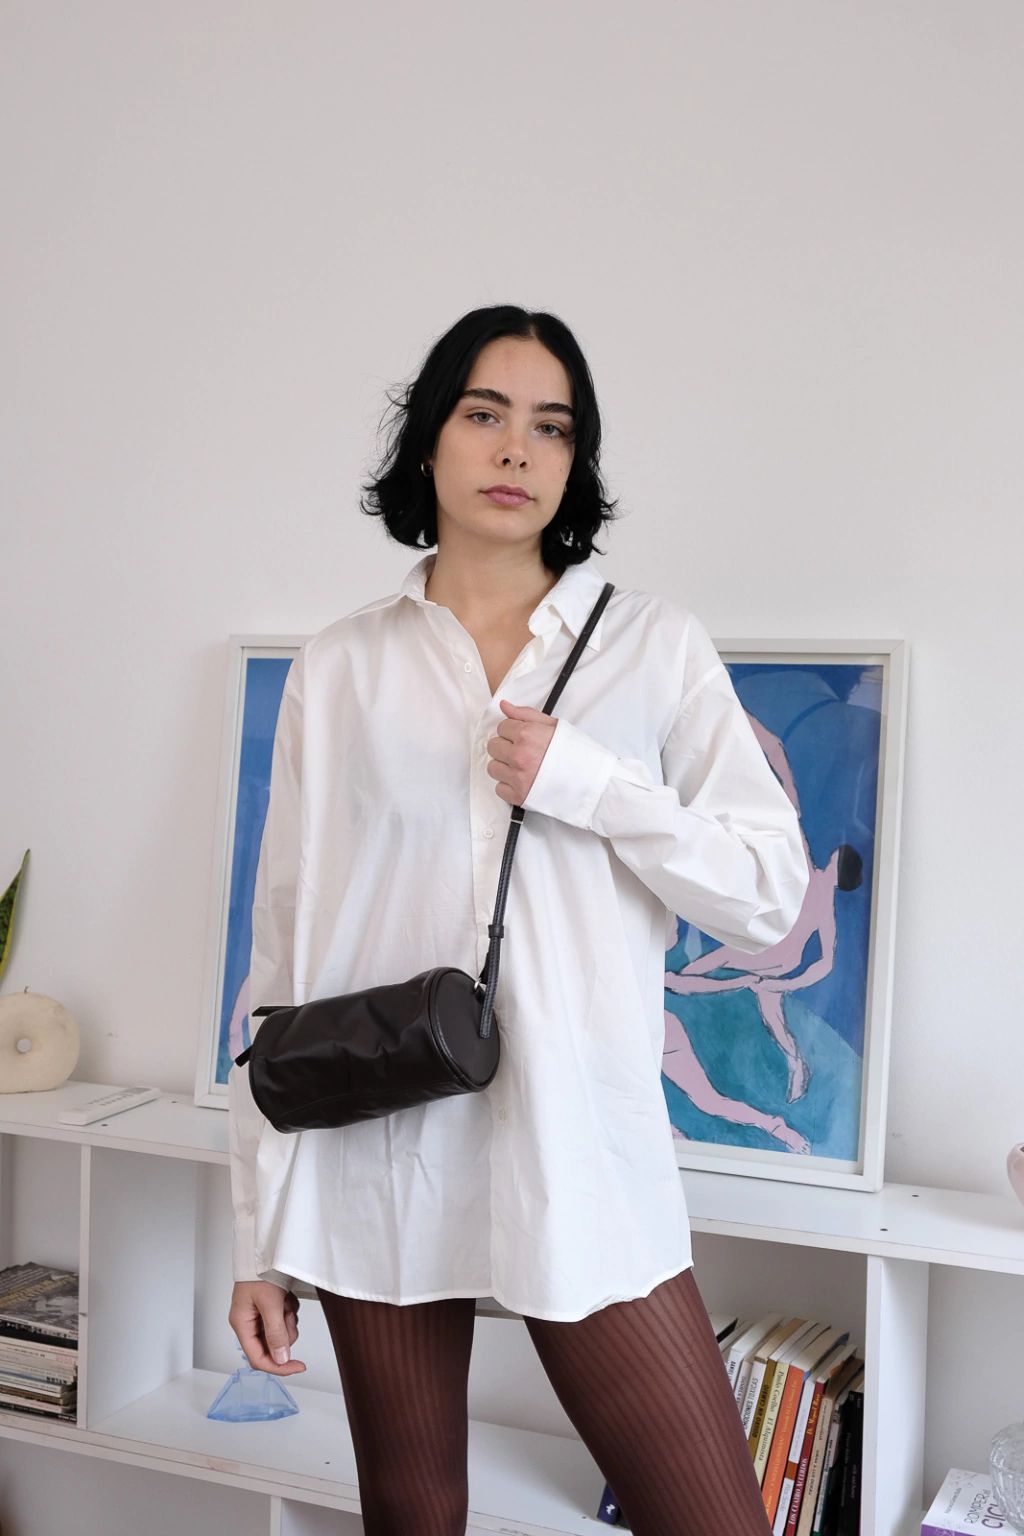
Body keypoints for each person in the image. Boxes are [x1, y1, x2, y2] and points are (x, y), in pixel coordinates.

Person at [226, 305, 810, 1536]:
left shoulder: (651, 647)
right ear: (428, 438)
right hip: (374, 1153)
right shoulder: (341, 666)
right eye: (484, 413)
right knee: (412, 1514)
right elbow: (282, 953)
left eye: (552, 426)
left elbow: (764, 892)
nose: (515, 449)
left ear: (574, 459)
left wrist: (590, 784)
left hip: (577, 1152)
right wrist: (257, 1239)